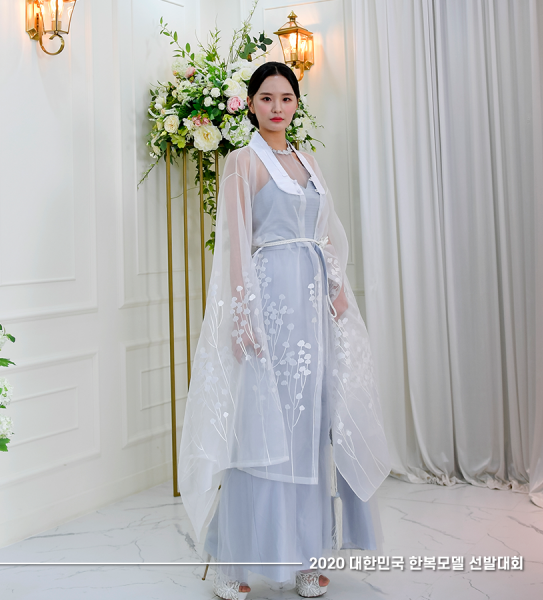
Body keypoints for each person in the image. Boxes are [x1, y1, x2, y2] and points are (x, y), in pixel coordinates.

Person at [178, 61, 391, 599]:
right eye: (267, 98)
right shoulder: (242, 162)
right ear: (251, 104)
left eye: (287, 98)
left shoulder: (308, 161)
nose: (277, 107)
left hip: (314, 313)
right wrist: (242, 315)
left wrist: (337, 292)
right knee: (262, 431)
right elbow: (236, 244)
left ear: (297, 104)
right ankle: (234, 564)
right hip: (270, 306)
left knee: (312, 431)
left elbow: (324, 235)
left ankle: (305, 557)